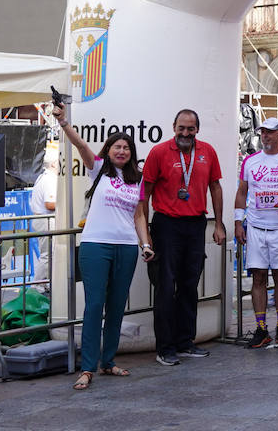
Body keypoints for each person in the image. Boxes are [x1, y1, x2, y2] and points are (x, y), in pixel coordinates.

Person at [55, 105, 148, 390]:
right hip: (96, 245)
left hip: (127, 247)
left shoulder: (138, 179)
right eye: (117, 146)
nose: (121, 151)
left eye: (126, 148)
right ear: (108, 150)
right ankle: (88, 368)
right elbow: (80, 144)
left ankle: (108, 362)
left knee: (117, 306)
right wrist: (64, 122)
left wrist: (146, 244)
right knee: (95, 306)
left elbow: (140, 215)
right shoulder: (98, 170)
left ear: (131, 153)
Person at [140, 109, 225, 366]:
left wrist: (219, 225)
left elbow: (216, 187)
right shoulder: (159, 152)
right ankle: (165, 348)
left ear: (197, 129)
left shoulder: (207, 151)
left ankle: (186, 342)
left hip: (195, 225)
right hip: (166, 225)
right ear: (173, 127)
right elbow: (145, 193)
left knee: (190, 286)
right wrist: (146, 234)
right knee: (166, 288)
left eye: (190, 129)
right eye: (181, 128)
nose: (185, 133)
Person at [235, 117, 278, 349]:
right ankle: (262, 328)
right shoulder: (250, 162)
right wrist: (237, 223)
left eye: (270, 132)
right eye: (262, 132)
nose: (265, 136)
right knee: (259, 277)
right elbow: (242, 192)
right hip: (255, 227)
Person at [29, 157, 58, 282]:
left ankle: (43, 284)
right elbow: (50, 204)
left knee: (48, 255)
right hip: (45, 219)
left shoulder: (44, 178)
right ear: (54, 163)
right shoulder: (49, 180)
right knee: (47, 255)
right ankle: (38, 285)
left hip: (42, 219)